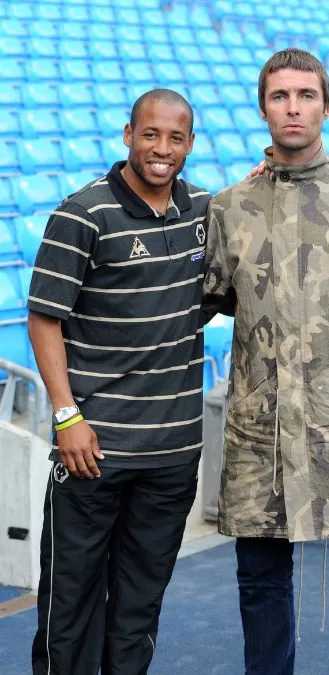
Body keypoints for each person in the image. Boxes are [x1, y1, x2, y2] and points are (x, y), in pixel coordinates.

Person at [201, 48, 329, 675]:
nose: (293, 108)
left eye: (306, 96)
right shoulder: (229, 207)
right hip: (260, 427)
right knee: (259, 580)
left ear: (326, 105)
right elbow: (217, 299)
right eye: (280, 96)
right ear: (263, 106)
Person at [26, 88, 209, 674]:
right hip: (93, 450)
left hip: (173, 454)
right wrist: (66, 415)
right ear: (128, 135)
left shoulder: (206, 209)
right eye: (150, 134)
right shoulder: (81, 214)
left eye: (175, 137)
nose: (162, 149)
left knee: (139, 610)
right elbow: (44, 318)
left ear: (189, 144)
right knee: (70, 609)